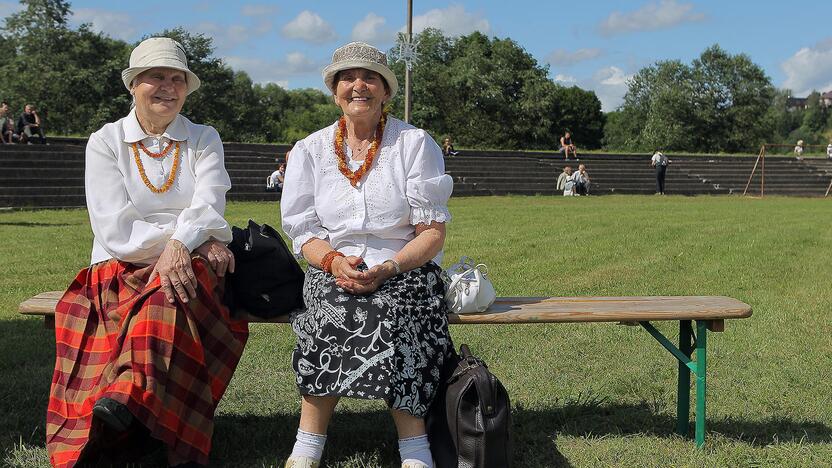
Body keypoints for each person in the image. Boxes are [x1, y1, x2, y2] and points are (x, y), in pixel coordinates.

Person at [46, 37, 248, 468]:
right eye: (156, 77)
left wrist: (182, 244)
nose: (168, 87)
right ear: (133, 85)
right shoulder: (105, 141)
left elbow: (211, 202)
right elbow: (115, 225)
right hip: (121, 263)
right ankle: (150, 422)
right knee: (165, 297)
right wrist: (192, 236)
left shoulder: (203, 137)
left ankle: (126, 400)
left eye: (178, 79)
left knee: (166, 293)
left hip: (191, 261)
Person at [281, 41, 454, 468]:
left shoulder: (414, 144)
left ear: (386, 91)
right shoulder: (311, 149)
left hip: (403, 265)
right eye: (347, 78)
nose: (358, 85)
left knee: (396, 311)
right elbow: (303, 230)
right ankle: (308, 443)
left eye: (370, 78)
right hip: (332, 265)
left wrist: (390, 266)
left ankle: (414, 448)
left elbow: (431, 233)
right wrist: (333, 262)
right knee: (328, 308)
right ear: (334, 90)